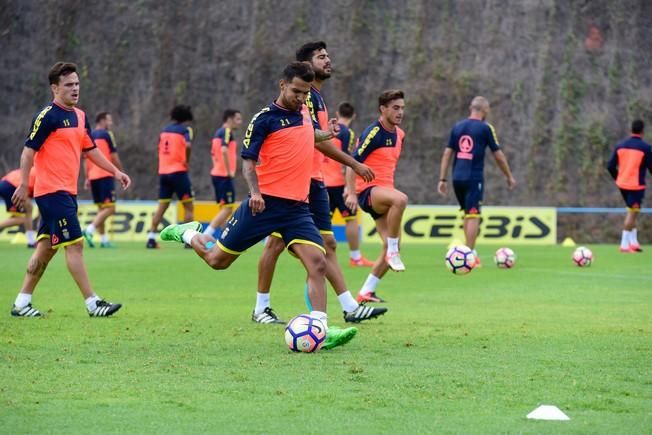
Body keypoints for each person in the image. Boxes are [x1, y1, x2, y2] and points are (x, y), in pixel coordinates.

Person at [159, 62, 359, 349]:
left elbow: (307, 135)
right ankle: (189, 233)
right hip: (263, 205)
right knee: (217, 261)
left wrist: (326, 134)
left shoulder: (303, 113)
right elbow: (248, 162)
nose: (301, 98)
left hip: (297, 209)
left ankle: (320, 329)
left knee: (317, 262)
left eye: (304, 93)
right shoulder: (263, 119)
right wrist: (255, 192)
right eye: (296, 91)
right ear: (282, 85)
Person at [253, 41, 386, 325]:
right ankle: (262, 307)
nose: (328, 60)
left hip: (314, 180)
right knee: (277, 244)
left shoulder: (318, 98)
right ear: (305, 65)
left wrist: (327, 132)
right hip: (297, 182)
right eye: (321, 57)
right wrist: (353, 162)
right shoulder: (305, 97)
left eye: (328, 56)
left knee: (325, 244)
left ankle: (348, 307)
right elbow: (312, 140)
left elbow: (315, 137)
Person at [10, 61, 130, 317]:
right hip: (51, 192)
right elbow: (28, 151)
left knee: (45, 249)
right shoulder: (47, 116)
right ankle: (92, 303)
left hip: (67, 192)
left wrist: (115, 171)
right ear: (55, 88)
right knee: (75, 245)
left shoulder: (81, 116)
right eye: (69, 85)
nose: (75, 89)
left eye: (77, 84)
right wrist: (22, 184)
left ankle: (21, 303)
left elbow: (91, 150)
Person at [345, 90, 409, 304]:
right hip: (368, 192)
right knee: (401, 199)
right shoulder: (373, 132)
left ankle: (365, 293)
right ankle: (392, 251)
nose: (400, 112)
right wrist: (351, 192)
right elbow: (352, 162)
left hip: (384, 194)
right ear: (383, 109)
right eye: (395, 108)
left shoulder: (399, 134)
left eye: (402, 107)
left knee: (394, 245)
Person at [437, 96, 516, 264]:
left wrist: (442, 179)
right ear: (485, 110)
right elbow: (498, 155)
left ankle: (468, 251)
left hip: (456, 177)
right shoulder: (486, 128)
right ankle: (470, 255)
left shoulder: (457, 127)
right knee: (473, 216)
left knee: (467, 214)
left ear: (470, 108)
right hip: (473, 178)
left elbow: (447, 153)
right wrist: (508, 175)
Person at [323, 102, 374, 267]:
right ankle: (355, 257)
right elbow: (348, 159)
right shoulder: (347, 133)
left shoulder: (325, 129)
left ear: (337, 113)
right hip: (339, 184)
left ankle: (321, 257)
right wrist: (348, 187)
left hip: (322, 183)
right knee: (351, 219)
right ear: (354, 116)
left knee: (323, 223)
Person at [146, 105, 194, 249]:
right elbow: (188, 145)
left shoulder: (164, 131)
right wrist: (187, 160)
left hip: (164, 172)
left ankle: (151, 239)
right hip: (179, 172)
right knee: (189, 207)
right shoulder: (186, 130)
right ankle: (188, 241)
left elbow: (158, 148)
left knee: (162, 207)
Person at [607, 119, 652, 252]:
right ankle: (624, 245)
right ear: (643, 131)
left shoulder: (620, 145)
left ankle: (634, 242)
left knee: (633, 211)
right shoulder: (646, 148)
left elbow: (610, 166)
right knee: (632, 213)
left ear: (631, 130)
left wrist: (618, 178)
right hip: (636, 186)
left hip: (622, 185)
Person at [82, 112, 124, 248]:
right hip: (105, 175)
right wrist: (120, 172)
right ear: (102, 120)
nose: (110, 123)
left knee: (102, 210)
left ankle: (104, 240)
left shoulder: (90, 135)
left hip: (93, 177)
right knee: (111, 209)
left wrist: (87, 177)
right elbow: (114, 156)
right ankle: (89, 230)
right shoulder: (107, 135)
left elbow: (85, 158)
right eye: (109, 120)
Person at [203, 109, 243, 239]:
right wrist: (228, 171)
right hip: (223, 175)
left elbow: (213, 154)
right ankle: (205, 235)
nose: (240, 122)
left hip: (216, 174)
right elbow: (224, 150)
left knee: (224, 208)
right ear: (229, 119)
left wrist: (217, 167)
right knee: (227, 208)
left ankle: (226, 238)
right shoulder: (226, 132)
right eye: (237, 119)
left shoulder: (217, 133)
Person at [0, 167, 37, 247]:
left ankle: (31, 241)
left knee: (27, 210)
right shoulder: (43, 174)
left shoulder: (36, 168)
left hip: (6, 183)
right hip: (11, 187)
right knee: (23, 218)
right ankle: (31, 241)